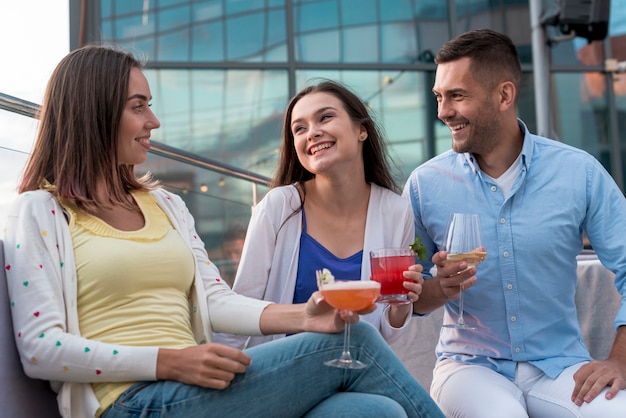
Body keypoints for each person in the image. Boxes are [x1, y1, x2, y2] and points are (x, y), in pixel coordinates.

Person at [2, 45, 445, 418]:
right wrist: (169, 362)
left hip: (199, 389)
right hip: (132, 402)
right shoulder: (40, 212)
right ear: (92, 112)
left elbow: (216, 300)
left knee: (376, 412)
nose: (153, 121)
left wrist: (303, 317)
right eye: (138, 106)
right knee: (357, 338)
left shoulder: (166, 205)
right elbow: (42, 349)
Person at [403, 28, 626, 418]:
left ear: (504, 95)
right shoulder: (425, 185)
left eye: (457, 95)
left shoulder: (580, 172)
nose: (442, 112)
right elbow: (407, 296)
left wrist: (620, 359)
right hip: (469, 367)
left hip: (559, 366)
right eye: (439, 97)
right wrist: (442, 287)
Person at [214, 80, 422, 350]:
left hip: (356, 368)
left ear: (361, 130)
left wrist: (402, 303)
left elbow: (387, 333)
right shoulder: (279, 207)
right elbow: (241, 308)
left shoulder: (396, 211)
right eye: (299, 128)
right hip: (284, 370)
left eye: (325, 117)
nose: (311, 133)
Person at [219, 221, 246, 287]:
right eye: (228, 253)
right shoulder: (219, 276)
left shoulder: (257, 277)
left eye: (237, 252)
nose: (232, 258)